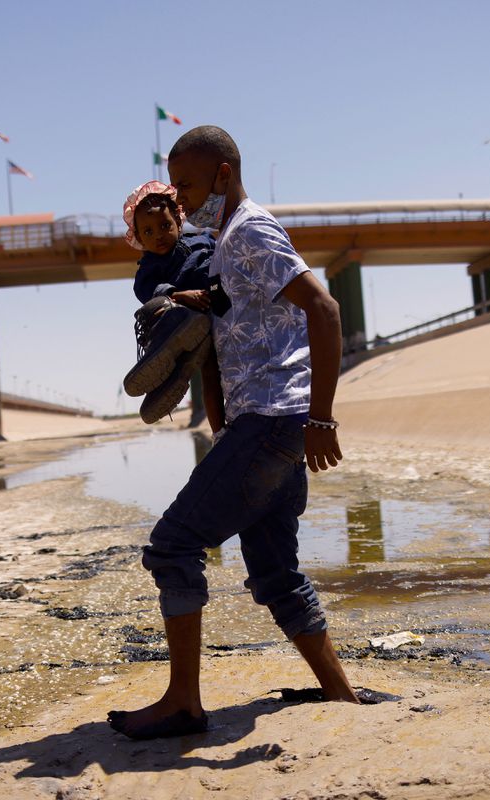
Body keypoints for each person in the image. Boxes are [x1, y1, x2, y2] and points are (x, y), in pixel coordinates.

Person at [108, 126, 361, 740]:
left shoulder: (248, 230)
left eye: (188, 185)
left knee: (172, 545)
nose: (182, 198)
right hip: (262, 421)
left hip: (273, 419)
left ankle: (184, 703)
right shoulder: (222, 245)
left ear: (223, 174)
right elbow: (224, 342)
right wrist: (219, 421)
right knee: (274, 570)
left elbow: (324, 309)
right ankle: (342, 694)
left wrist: (321, 417)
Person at [120, 181, 216, 423]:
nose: (158, 236)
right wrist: (178, 295)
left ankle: (177, 367)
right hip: (183, 315)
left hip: (216, 306)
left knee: (213, 374)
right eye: (148, 232)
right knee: (161, 310)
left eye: (165, 226)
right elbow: (145, 290)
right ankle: (166, 362)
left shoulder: (201, 240)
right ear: (139, 237)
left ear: (178, 221)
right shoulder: (150, 265)